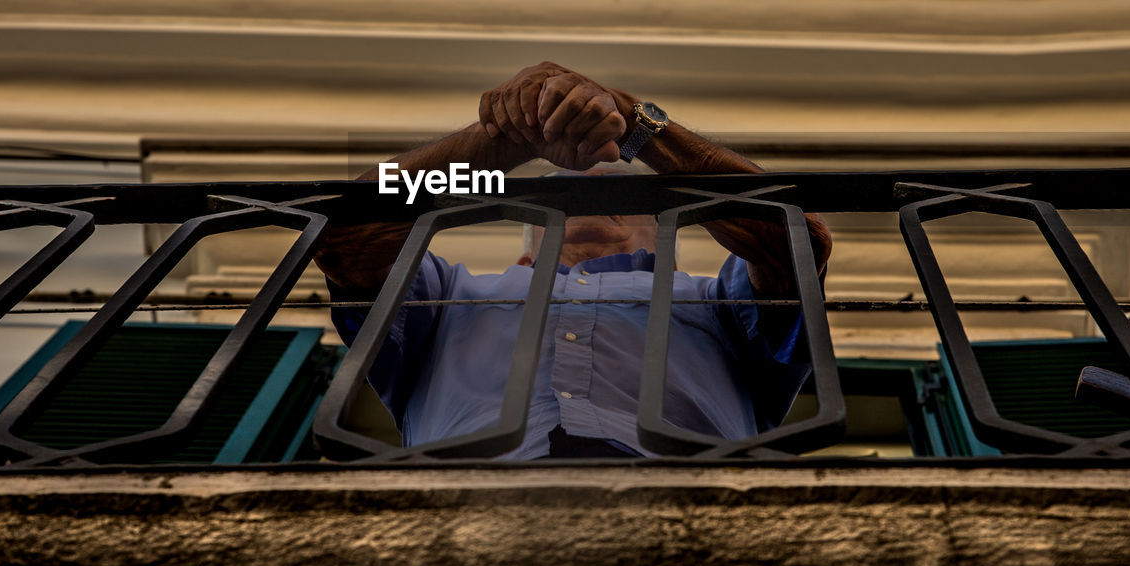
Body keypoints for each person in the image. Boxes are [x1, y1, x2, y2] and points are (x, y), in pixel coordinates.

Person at [315, 61, 832, 459]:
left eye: (610, 180)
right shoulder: (452, 290)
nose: (587, 179)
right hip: (462, 512)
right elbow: (347, 236)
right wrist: (505, 139)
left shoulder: (715, 296)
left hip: (687, 513)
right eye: (564, 182)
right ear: (526, 244)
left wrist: (634, 123)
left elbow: (796, 240)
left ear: (668, 235)